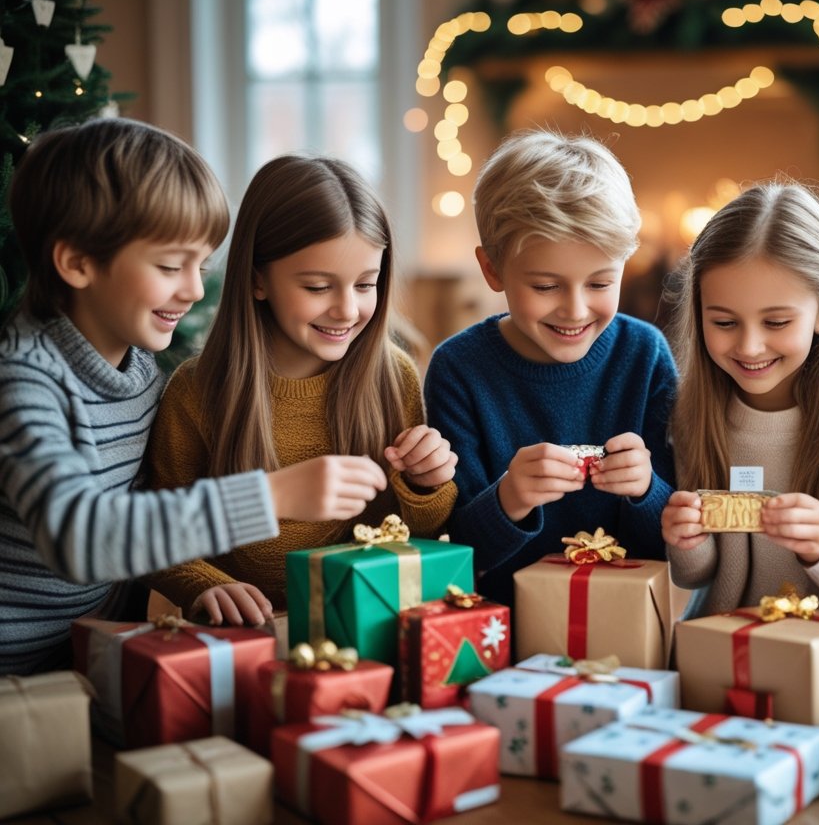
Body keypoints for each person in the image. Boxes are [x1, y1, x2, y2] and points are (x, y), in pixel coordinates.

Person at [0, 119, 379, 675]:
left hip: (88, 651)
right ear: (77, 262)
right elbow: (78, 537)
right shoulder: (23, 380)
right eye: (170, 266)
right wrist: (269, 497)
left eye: (200, 265)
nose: (195, 290)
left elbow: (146, 510)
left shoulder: (139, 368)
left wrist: (192, 590)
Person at [142, 155, 456, 626]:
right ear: (256, 279)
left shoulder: (394, 378)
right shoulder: (196, 391)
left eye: (366, 284)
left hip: (364, 624)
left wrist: (426, 484)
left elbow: (413, 534)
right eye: (316, 287)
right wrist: (205, 582)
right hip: (241, 637)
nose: (347, 310)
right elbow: (156, 533)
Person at [659, 182, 819, 683]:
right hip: (718, 653)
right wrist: (687, 541)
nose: (749, 346)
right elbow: (696, 577)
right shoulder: (694, 410)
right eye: (723, 321)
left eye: (775, 321)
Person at [424, 129, 676, 607]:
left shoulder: (645, 356)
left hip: (626, 626)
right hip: (497, 633)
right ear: (492, 270)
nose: (576, 310)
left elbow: (679, 542)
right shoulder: (458, 370)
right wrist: (509, 500)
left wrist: (647, 489)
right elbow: (453, 554)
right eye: (545, 287)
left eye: (600, 283)